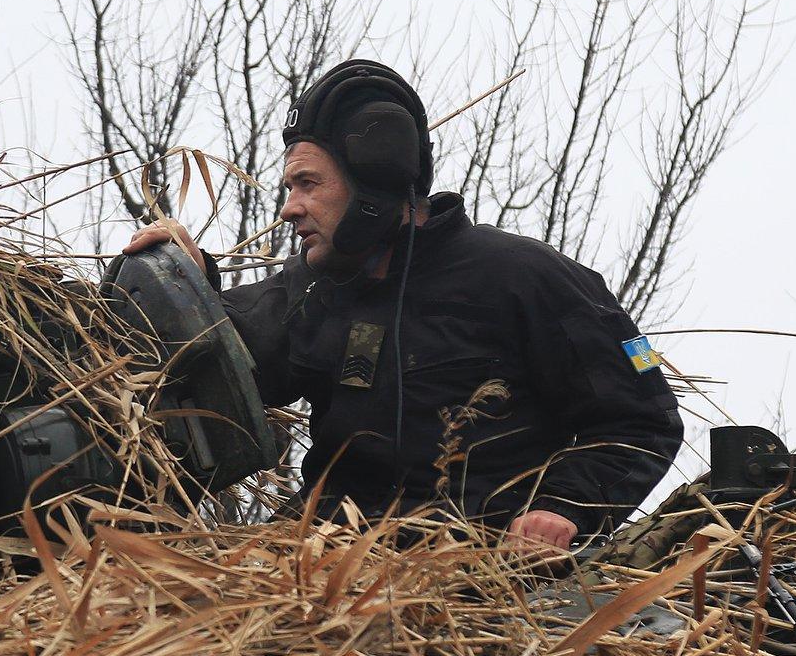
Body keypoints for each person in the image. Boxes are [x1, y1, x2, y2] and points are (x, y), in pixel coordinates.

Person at [124, 60, 683, 548]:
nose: (290, 208)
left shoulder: (526, 277)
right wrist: (188, 280)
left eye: (308, 184)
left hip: (481, 581)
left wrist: (563, 507)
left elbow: (641, 419)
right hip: (320, 566)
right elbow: (226, 354)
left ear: (376, 178)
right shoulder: (313, 286)